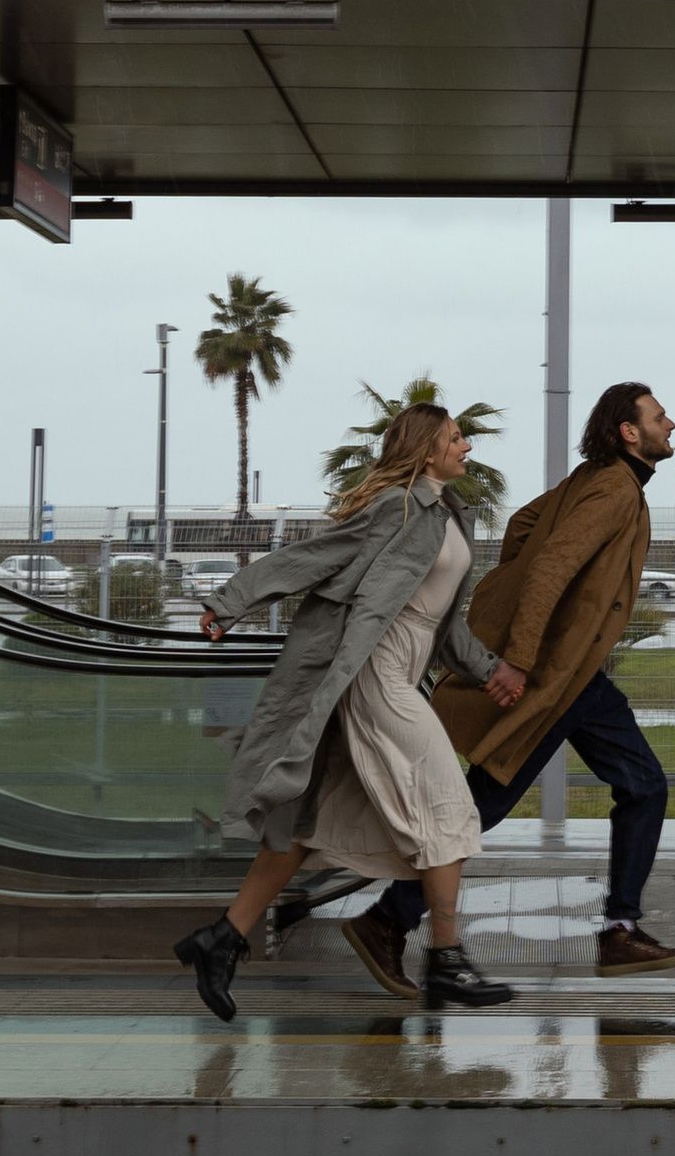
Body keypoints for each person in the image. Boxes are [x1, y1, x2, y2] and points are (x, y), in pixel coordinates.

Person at [171, 401, 528, 1023]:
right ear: (427, 449)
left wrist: (487, 668)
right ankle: (447, 961)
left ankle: (221, 939)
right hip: (375, 672)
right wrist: (231, 600)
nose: (466, 445)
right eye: (455, 437)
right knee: (449, 809)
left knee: (310, 821)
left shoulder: (447, 514)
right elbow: (316, 556)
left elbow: (440, 623)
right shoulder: (398, 507)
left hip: (400, 672)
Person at [344, 379, 675, 996]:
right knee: (489, 800)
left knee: (636, 784)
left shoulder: (592, 479)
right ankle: (388, 919)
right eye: (660, 417)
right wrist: (525, 656)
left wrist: (521, 592)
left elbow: (525, 526)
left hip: (574, 676)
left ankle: (618, 928)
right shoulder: (614, 489)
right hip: (555, 676)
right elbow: (553, 565)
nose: (671, 425)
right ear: (628, 432)